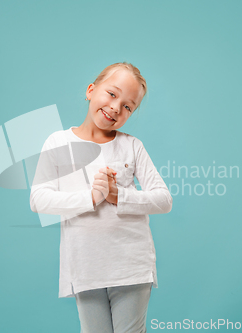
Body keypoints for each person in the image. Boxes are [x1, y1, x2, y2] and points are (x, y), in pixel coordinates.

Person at [30, 62, 173, 333]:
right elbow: (39, 199)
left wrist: (118, 195)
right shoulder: (58, 143)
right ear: (91, 90)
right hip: (85, 267)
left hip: (131, 265)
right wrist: (92, 198)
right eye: (112, 94)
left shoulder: (131, 146)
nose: (116, 107)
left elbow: (164, 199)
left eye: (128, 106)